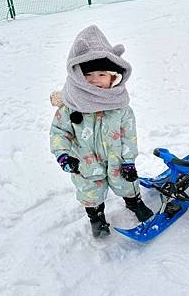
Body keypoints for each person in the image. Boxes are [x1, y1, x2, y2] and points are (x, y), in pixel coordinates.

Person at [50, 25, 153, 238]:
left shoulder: (121, 107)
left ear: (113, 77)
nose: (95, 79)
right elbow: (59, 132)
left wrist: (128, 161)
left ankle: (134, 202)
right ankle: (96, 217)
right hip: (85, 164)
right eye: (88, 74)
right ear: (77, 75)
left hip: (117, 160)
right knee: (90, 191)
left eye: (101, 74)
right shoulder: (70, 107)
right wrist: (64, 155)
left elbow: (128, 136)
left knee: (126, 182)